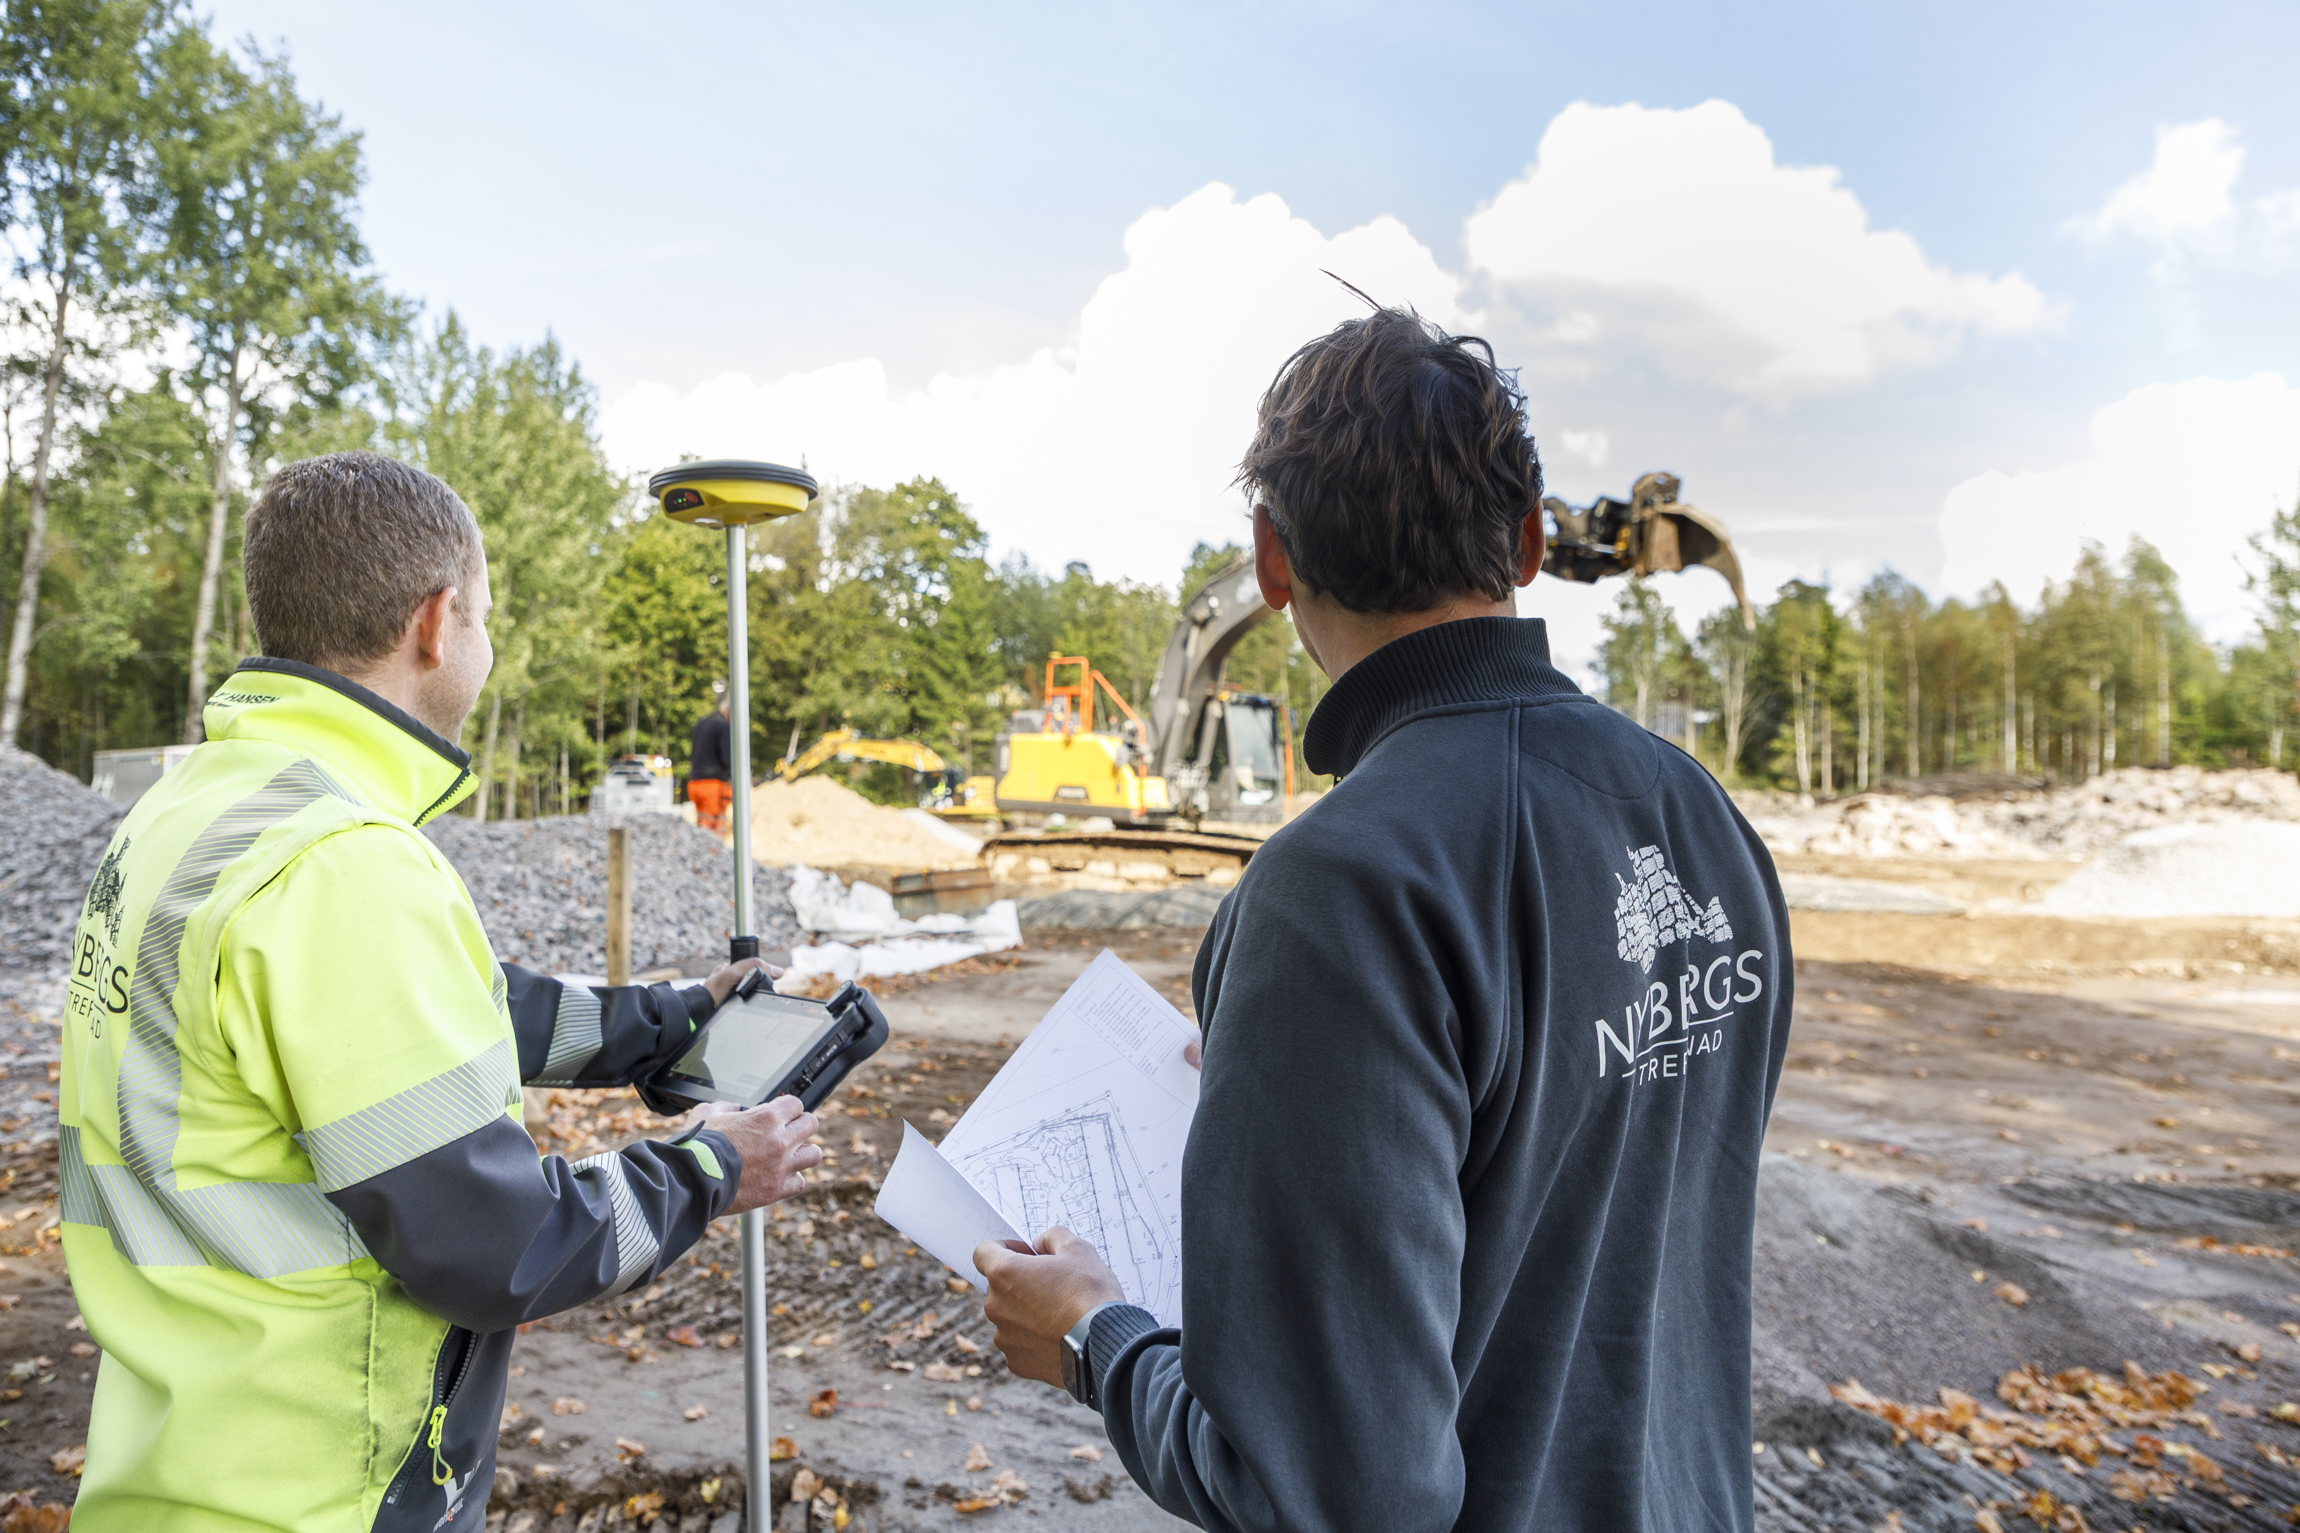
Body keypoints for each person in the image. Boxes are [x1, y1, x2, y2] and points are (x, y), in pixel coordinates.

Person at [975, 310, 1792, 1532]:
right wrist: (1302, 1086)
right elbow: (1566, 1157)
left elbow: (1336, 1492)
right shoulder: (1695, 813)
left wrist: (1095, 1335)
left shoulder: (1340, 886)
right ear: (1524, 540)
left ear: (1270, 560)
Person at [60, 451, 824, 1532]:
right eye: (487, 617)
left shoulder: (203, 808)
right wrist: (706, 1166)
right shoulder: (342, 862)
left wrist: (673, 1019)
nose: (489, 647)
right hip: (312, 1492)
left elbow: (427, 1020)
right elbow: (493, 1242)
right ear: (435, 623)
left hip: (173, 1469)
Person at [689, 687, 734, 833]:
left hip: (695, 784)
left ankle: (703, 854)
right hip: (712, 785)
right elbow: (727, 757)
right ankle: (713, 855)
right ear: (728, 712)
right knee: (714, 826)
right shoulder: (723, 726)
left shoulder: (700, 724)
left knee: (702, 823)